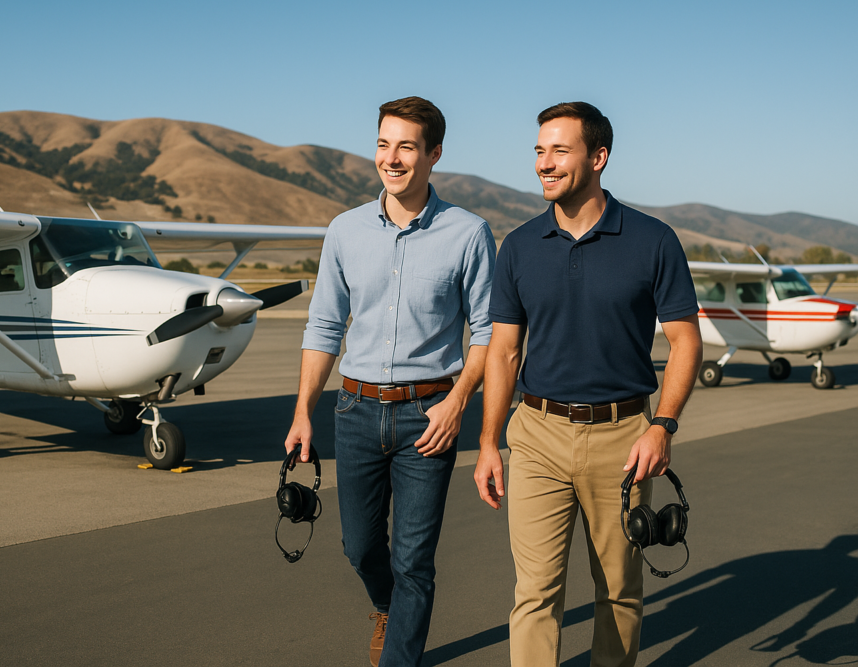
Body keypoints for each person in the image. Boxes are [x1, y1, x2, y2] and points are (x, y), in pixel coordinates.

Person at [473, 101, 703, 667]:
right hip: (535, 436)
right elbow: (503, 352)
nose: (544, 164)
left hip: (623, 438)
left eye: (559, 151)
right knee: (535, 594)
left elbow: (685, 341)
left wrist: (663, 426)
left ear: (599, 157)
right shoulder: (520, 245)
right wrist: (487, 442)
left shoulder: (653, 240)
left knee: (619, 592)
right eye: (538, 151)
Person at [285, 96, 496, 666]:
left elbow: (487, 332)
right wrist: (304, 410)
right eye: (384, 143)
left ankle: (400, 654)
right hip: (354, 413)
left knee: (414, 561)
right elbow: (324, 324)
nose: (392, 158)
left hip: (428, 416)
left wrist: (457, 404)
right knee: (359, 548)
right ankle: (388, 606)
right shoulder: (345, 231)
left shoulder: (469, 234)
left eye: (406, 146)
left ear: (434, 155)